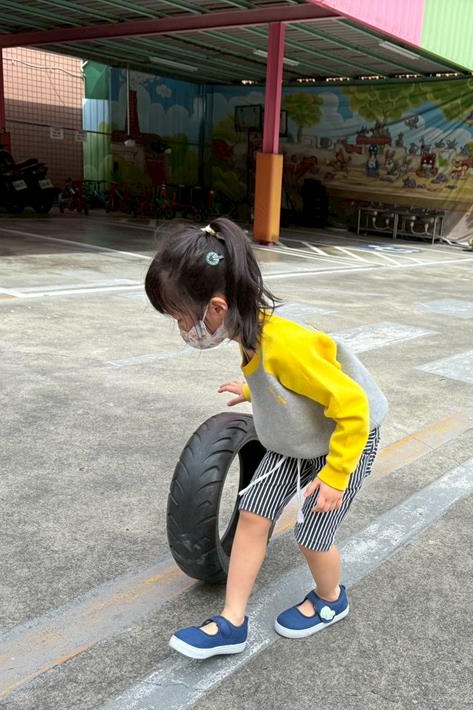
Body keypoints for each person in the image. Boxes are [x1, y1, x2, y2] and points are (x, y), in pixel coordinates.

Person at [144, 219, 388, 659]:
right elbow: (282, 383)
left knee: (312, 534)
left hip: (344, 439)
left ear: (216, 308)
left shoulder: (286, 345)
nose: (181, 327)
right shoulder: (247, 332)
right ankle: (231, 622)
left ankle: (332, 599)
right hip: (296, 437)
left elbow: (353, 406)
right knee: (253, 514)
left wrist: (336, 476)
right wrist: (252, 389)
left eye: (180, 316)